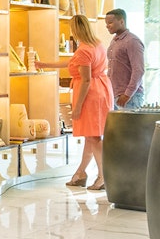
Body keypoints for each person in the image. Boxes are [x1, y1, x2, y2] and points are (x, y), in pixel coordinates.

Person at [36, 14, 114, 190]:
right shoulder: (97, 45)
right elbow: (72, 62)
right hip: (102, 90)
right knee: (91, 136)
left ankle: (103, 176)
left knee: (94, 137)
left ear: (75, 30)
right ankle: (81, 174)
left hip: (91, 95)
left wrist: (77, 107)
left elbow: (86, 79)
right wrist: (45, 65)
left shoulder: (84, 50)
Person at [105, 8, 145, 108]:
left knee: (130, 124)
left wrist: (128, 94)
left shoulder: (132, 41)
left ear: (121, 21)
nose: (107, 26)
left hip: (129, 97)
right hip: (114, 94)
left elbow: (138, 70)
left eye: (110, 22)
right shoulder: (114, 41)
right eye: (106, 23)